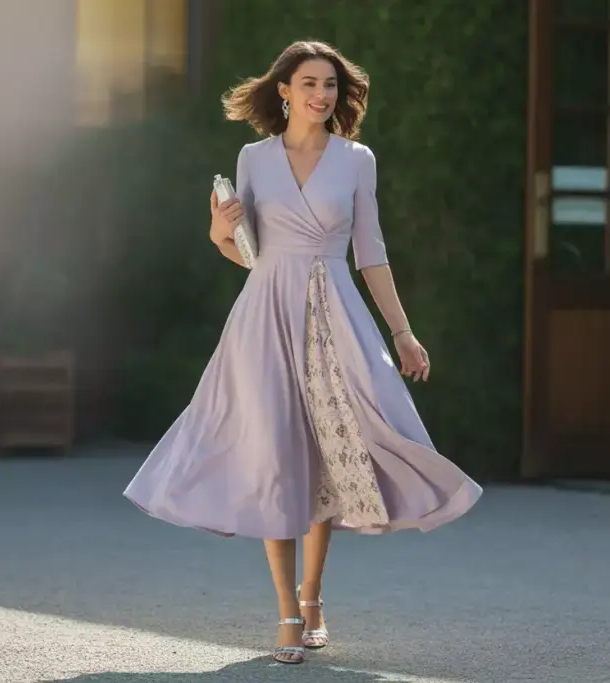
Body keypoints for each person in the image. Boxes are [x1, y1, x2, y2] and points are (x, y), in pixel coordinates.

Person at [123, 39, 483, 665]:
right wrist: (217, 231)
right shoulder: (252, 159)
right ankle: (287, 611)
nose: (322, 95)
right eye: (310, 83)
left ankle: (313, 596)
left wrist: (402, 331)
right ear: (283, 90)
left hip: (335, 314)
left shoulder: (356, 160)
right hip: (266, 315)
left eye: (331, 86)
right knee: (276, 454)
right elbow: (249, 253)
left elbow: (370, 252)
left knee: (323, 456)